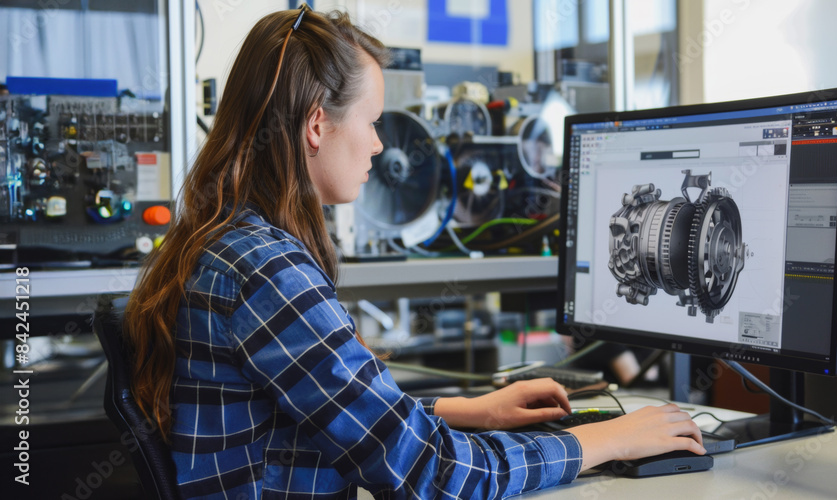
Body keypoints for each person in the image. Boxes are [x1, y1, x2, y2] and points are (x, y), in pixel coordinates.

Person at [124, 6, 704, 498]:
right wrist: (606, 440)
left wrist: (475, 410)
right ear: (317, 125)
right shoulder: (267, 271)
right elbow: (434, 473)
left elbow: (339, 416)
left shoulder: (230, 242)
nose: (379, 144)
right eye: (373, 122)